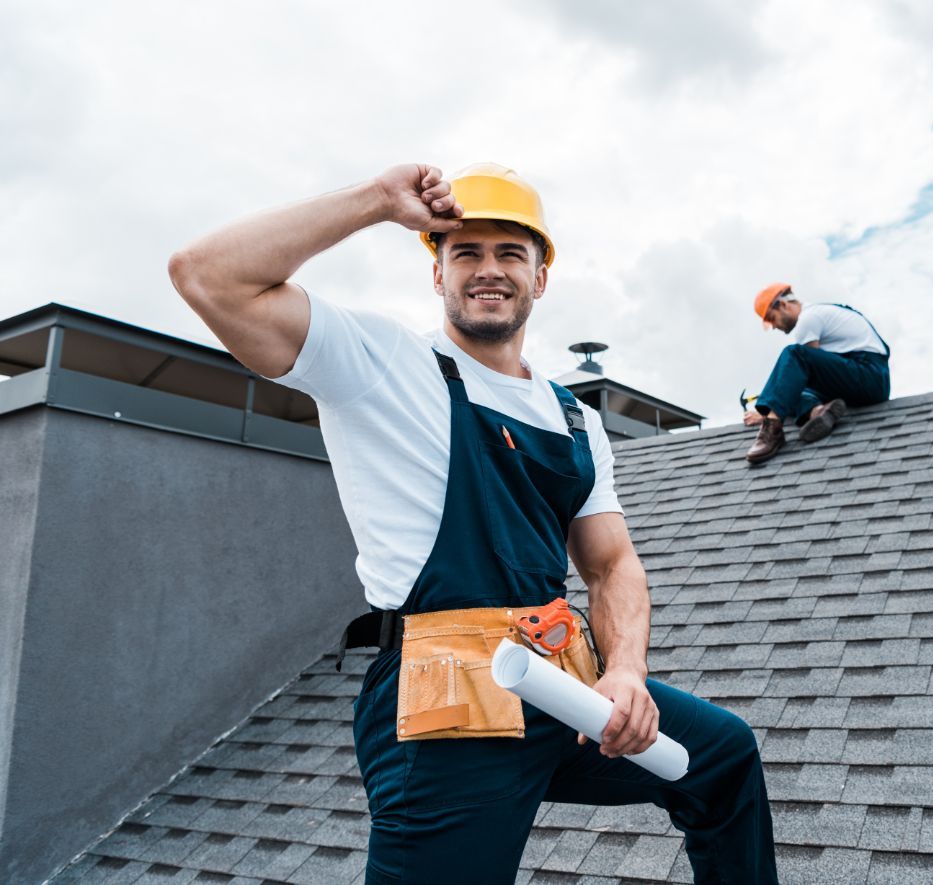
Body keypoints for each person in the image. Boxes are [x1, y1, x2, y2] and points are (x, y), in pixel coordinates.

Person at [169, 163, 777, 884]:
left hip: (557, 683)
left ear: (540, 278)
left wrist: (624, 671)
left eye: (510, 254)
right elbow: (205, 274)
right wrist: (374, 202)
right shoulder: (383, 363)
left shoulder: (572, 416)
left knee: (723, 755)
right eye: (466, 253)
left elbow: (612, 564)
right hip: (446, 702)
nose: (488, 270)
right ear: (438, 274)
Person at [744, 283, 891, 463]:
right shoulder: (820, 314)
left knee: (794, 354)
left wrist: (766, 412)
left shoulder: (809, 318)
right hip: (863, 378)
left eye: (771, 318)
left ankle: (772, 428)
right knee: (790, 387)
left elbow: (798, 375)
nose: (773, 326)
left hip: (869, 375)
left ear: (783, 305)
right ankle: (818, 412)